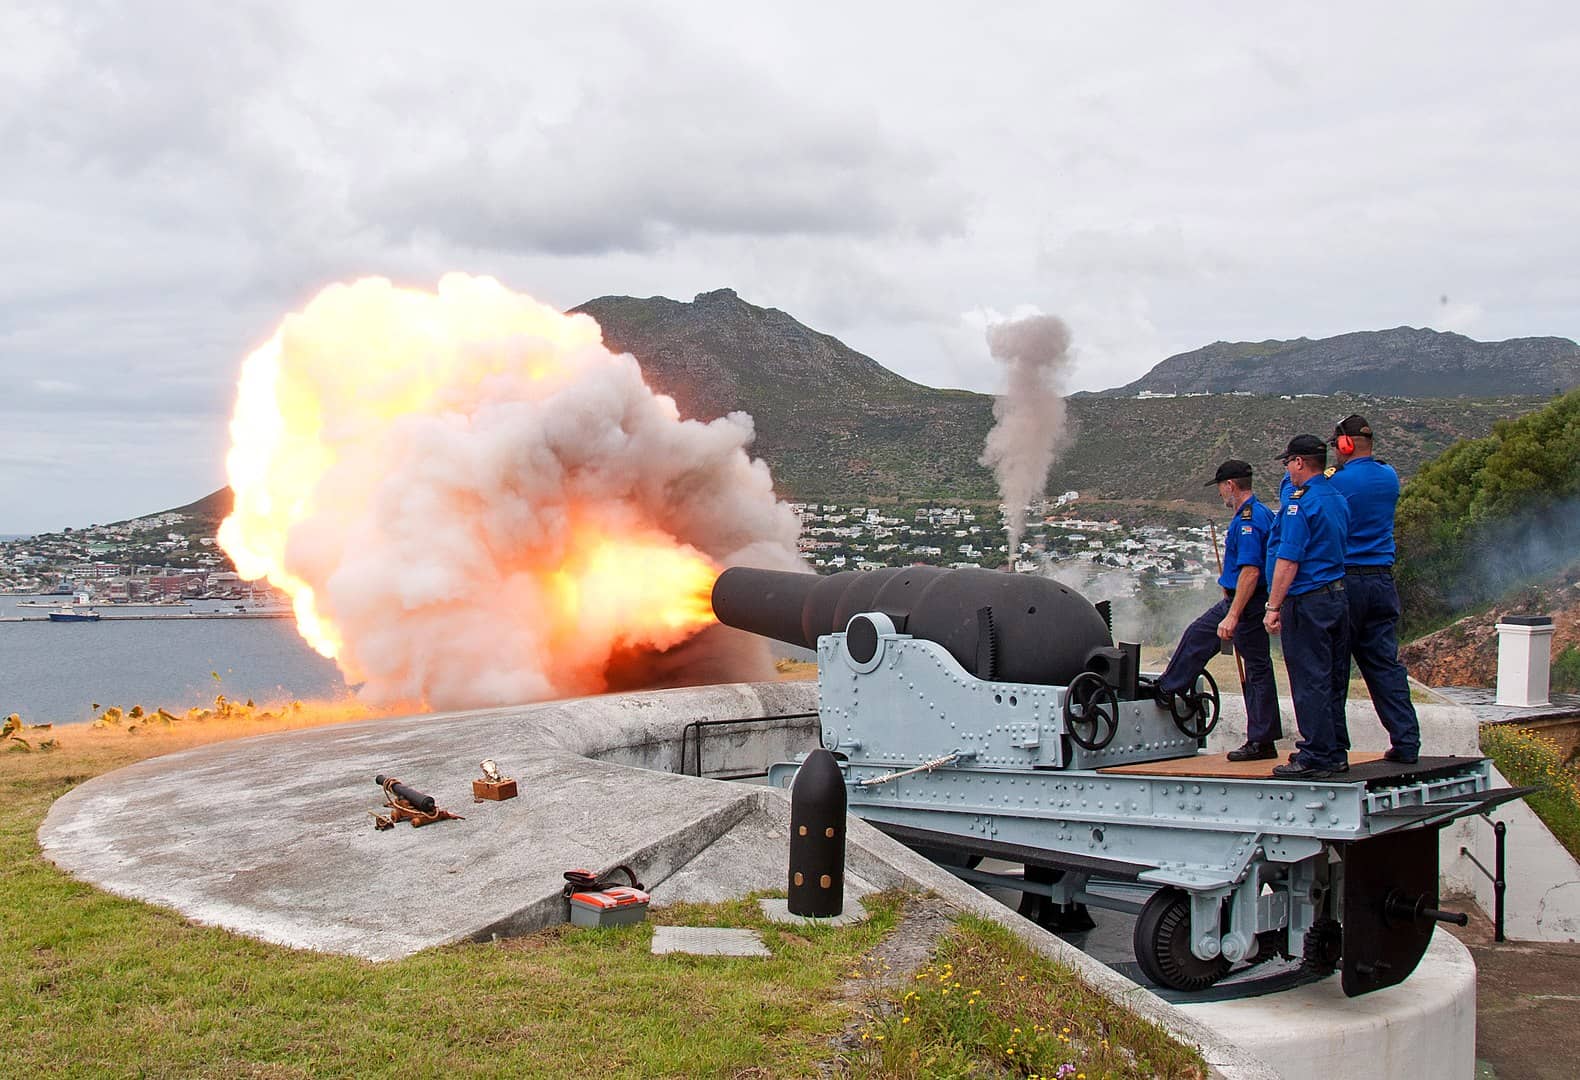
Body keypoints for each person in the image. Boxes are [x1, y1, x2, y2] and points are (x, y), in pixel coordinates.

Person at [1155, 460, 1282, 760]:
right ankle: (1171, 686)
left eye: (1221, 489)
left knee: (1251, 666)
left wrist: (1233, 614)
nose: (1221, 496)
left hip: (1245, 603)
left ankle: (1168, 690)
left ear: (1231, 486)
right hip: (1242, 600)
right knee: (1237, 657)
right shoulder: (1259, 513)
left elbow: (1250, 571)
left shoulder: (1249, 519)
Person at [1326, 414, 1422, 763]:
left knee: (1335, 668)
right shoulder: (1389, 476)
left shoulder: (1336, 482)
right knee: (1385, 667)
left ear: (1344, 443)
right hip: (1382, 580)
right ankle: (1406, 742)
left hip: (1345, 581)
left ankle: (1335, 749)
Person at [1264, 434, 1352, 779]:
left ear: (1299, 462)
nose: (1288, 468)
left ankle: (1316, 754)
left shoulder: (1301, 503)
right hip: (1337, 596)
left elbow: (1289, 559)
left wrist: (1273, 606)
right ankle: (1335, 749)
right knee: (1333, 678)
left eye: (1288, 462)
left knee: (1309, 678)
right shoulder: (1337, 497)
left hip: (1308, 600)